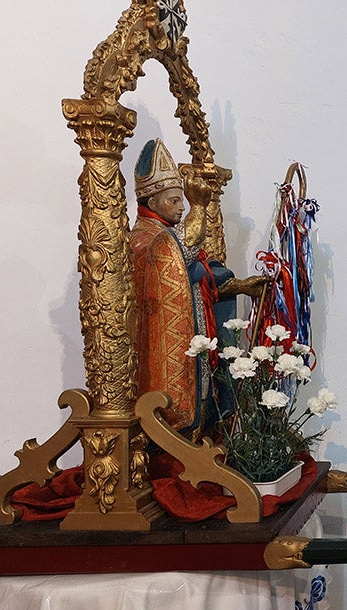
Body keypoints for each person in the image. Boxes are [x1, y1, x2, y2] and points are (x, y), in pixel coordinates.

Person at [130, 138, 265, 437]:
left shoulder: (164, 236)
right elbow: (181, 251)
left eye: (182, 200)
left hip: (196, 342)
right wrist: (199, 206)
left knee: (205, 399)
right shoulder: (144, 240)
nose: (181, 207)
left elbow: (199, 275)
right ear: (152, 203)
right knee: (184, 407)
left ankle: (200, 440)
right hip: (167, 355)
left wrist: (241, 286)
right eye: (174, 200)